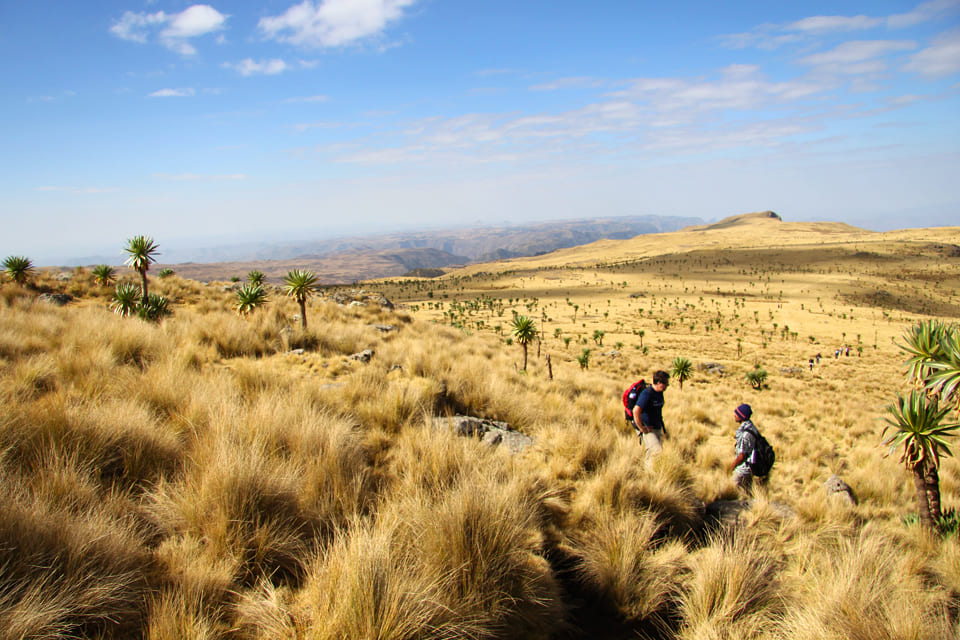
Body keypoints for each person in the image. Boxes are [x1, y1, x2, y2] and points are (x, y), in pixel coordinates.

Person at [728, 403, 766, 496]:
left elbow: (742, 456)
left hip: (743, 469)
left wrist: (732, 467)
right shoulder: (751, 428)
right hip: (750, 468)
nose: (734, 415)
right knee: (747, 492)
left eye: (736, 413)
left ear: (742, 416)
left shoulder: (746, 434)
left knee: (732, 489)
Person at [632, 370, 669, 460]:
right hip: (647, 428)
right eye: (666, 384)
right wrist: (641, 428)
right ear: (659, 383)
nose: (667, 386)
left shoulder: (659, 393)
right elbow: (636, 411)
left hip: (656, 427)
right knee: (656, 450)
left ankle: (648, 471)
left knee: (653, 452)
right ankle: (650, 473)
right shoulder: (647, 393)